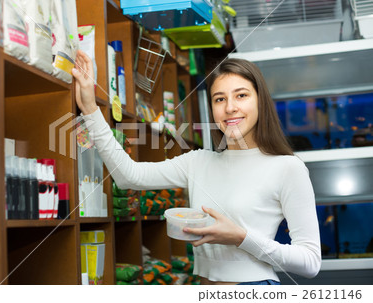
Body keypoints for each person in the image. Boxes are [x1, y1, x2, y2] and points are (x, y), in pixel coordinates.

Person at [72, 50, 321, 285]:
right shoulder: (198, 161)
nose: (230, 107)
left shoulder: (287, 167)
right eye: (219, 99)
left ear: (260, 102)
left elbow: (310, 262)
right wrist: (91, 109)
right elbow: (129, 176)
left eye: (241, 95)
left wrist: (241, 237)